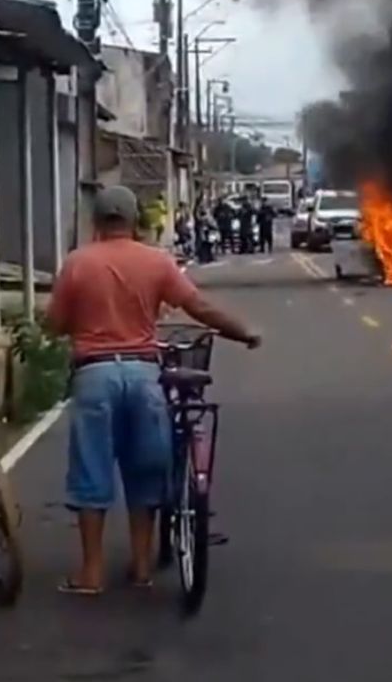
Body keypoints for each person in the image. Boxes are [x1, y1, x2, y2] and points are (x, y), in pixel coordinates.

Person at [47, 186, 261, 595]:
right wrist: (243, 332)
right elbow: (199, 308)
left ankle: (90, 574)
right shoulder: (157, 262)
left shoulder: (77, 263)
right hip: (146, 376)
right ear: (137, 223)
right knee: (145, 471)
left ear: (96, 222)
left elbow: (54, 323)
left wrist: (79, 324)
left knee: (91, 472)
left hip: (93, 376)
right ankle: (142, 567)